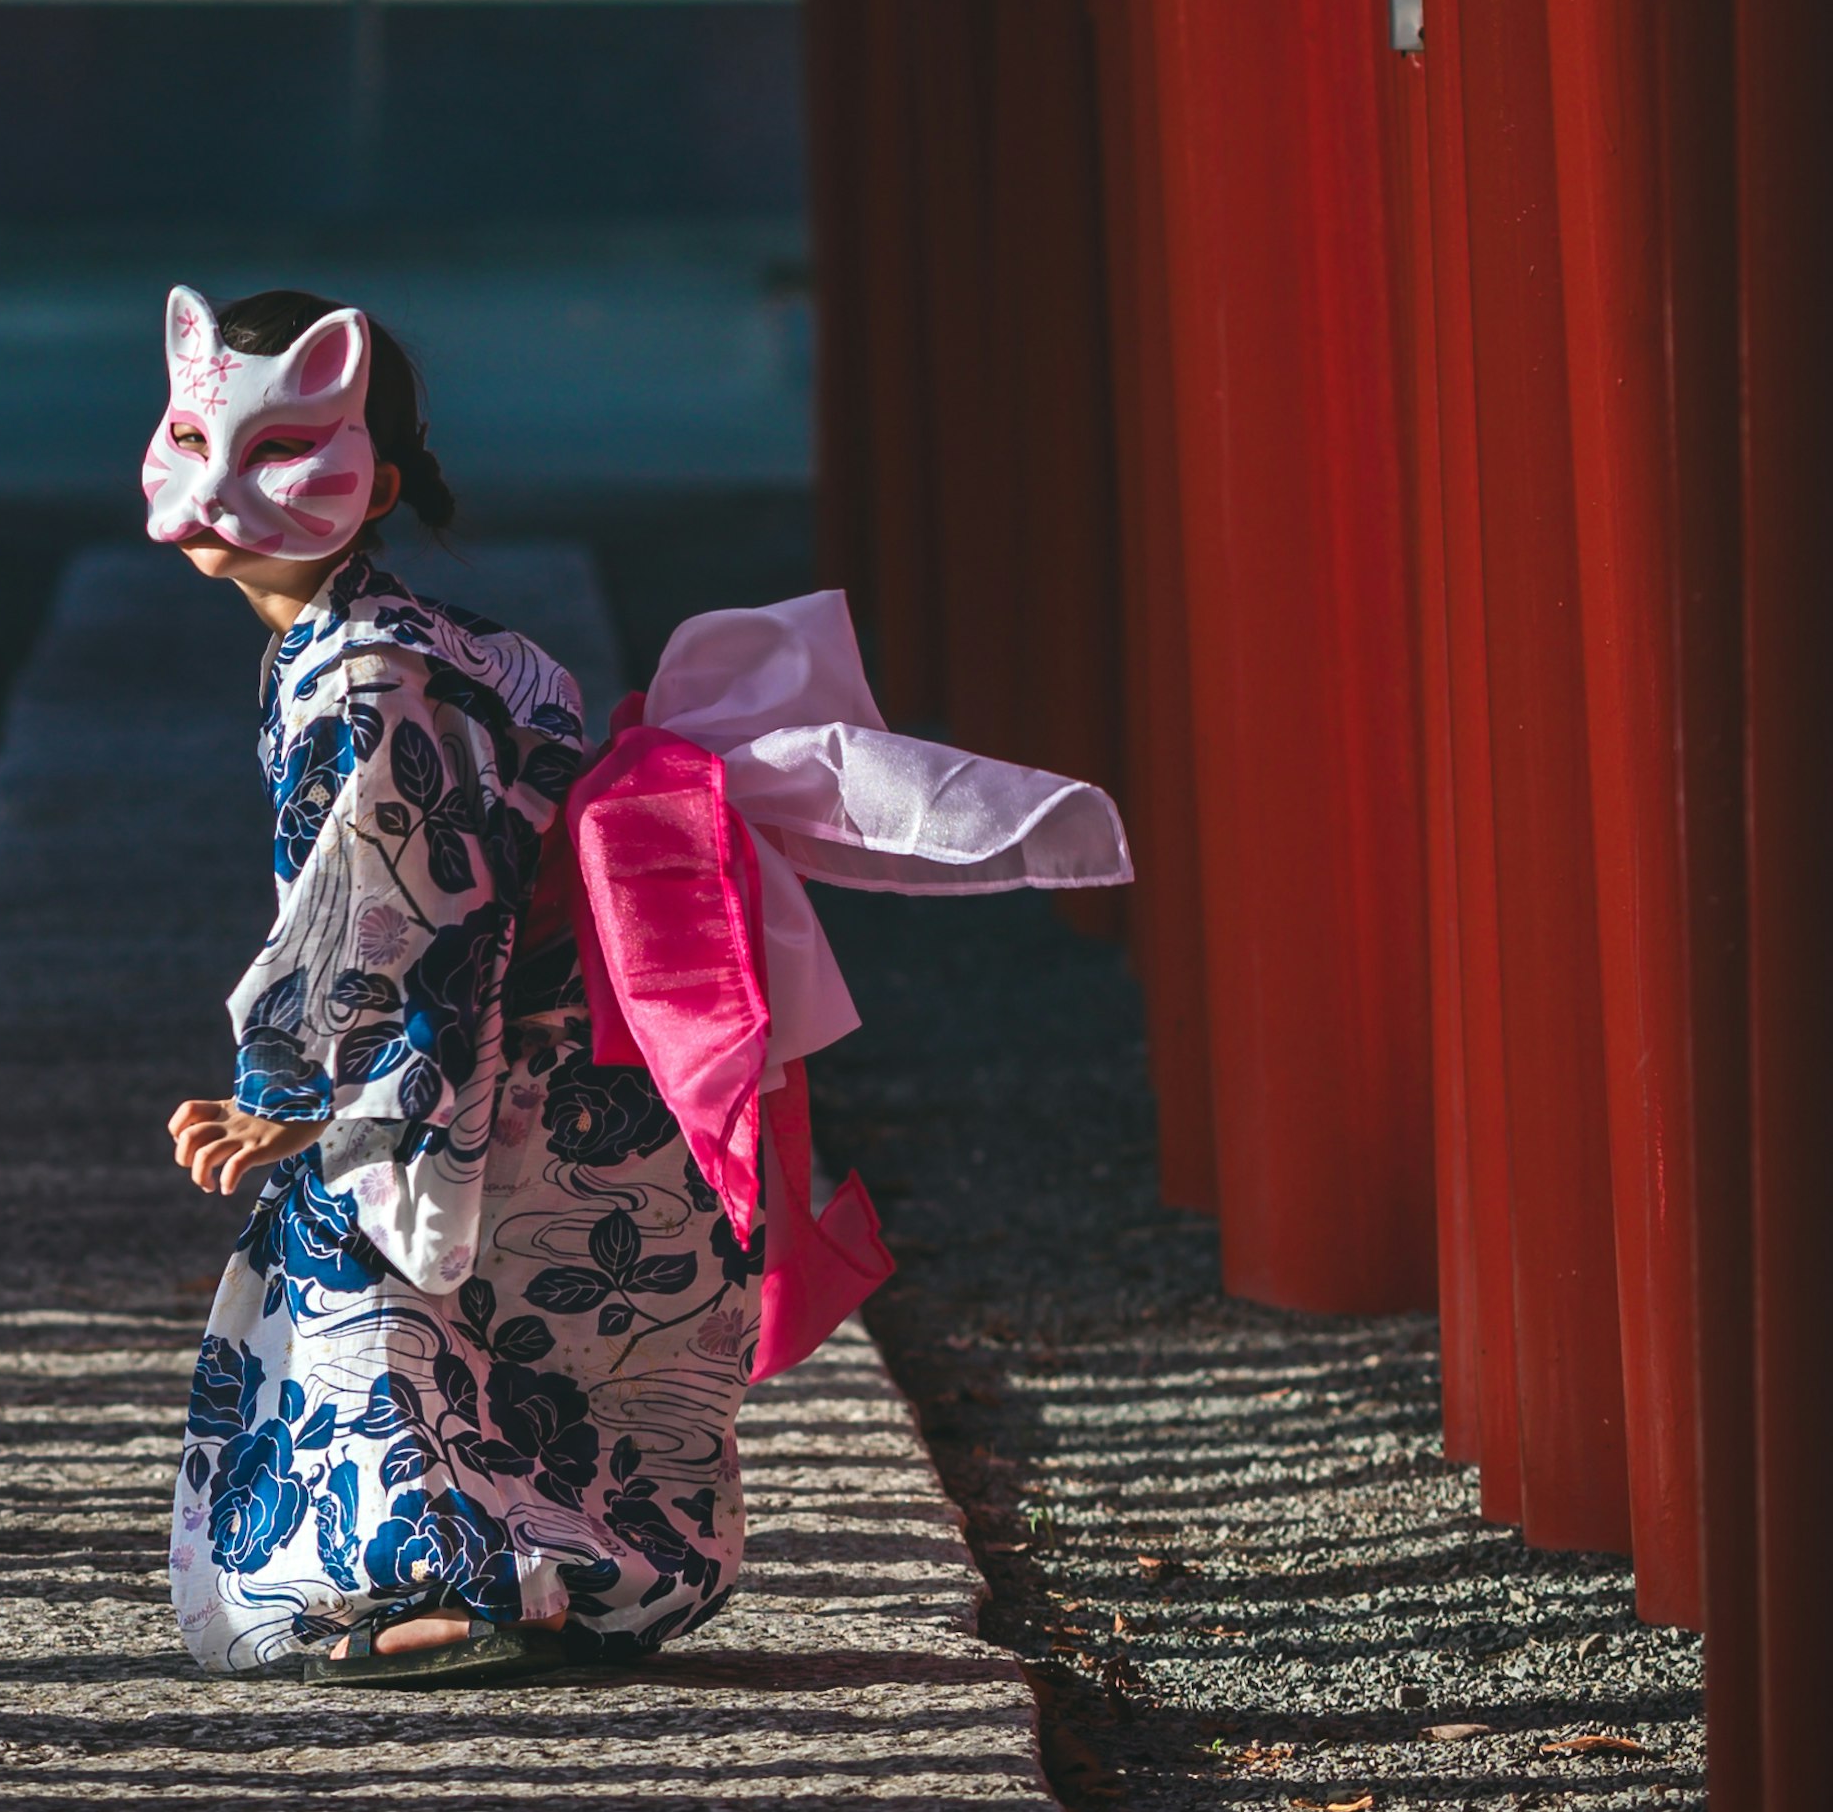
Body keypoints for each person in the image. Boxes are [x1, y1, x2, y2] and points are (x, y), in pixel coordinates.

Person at [146, 281, 1135, 1691]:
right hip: (577, 1053)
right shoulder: (392, 645)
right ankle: (542, 1581)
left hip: (517, 1056)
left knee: (358, 1270)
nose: (220, 483)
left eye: (275, 448)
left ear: (364, 473)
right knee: (539, 1349)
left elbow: (404, 909)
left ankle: (433, 1579)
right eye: (192, 430)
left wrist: (303, 1094)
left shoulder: (369, 676)